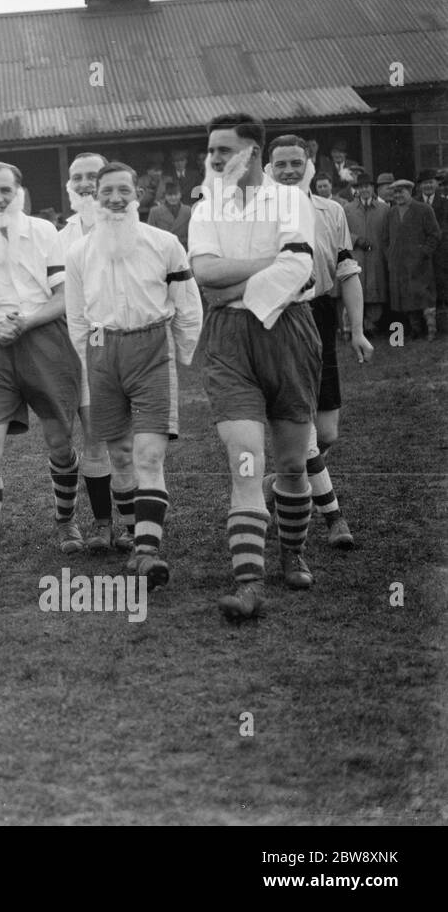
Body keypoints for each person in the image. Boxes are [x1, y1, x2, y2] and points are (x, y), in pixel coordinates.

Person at [188, 113, 320, 621]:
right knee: (245, 459)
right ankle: (249, 583)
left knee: (290, 464)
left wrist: (234, 286)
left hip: (288, 332)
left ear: (253, 153)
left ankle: (294, 551)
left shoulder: (291, 199)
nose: (215, 160)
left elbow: (300, 266)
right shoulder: (207, 207)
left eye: (224, 150)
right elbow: (204, 273)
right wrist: (267, 265)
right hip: (229, 341)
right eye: (211, 151)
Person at [64, 161, 203, 588]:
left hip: (151, 348)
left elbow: (188, 304)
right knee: (120, 454)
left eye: (124, 190)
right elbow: (76, 317)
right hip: (104, 351)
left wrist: (182, 352)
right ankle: (131, 529)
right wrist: (89, 360)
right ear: (95, 197)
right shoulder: (79, 252)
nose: (115, 199)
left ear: (139, 194)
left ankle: (147, 552)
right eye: (106, 192)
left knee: (147, 455)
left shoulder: (164, 244)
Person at [0, 161, 85, 578]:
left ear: (20, 191)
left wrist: (26, 322)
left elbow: (64, 298)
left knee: (59, 440)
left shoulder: (44, 233)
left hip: (45, 339)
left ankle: (65, 521)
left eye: (5, 190)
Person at [261, 135, 373, 556]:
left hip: (321, 318)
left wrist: (357, 330)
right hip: (281, 317)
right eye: (281, 164)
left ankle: (277, 482)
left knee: (326, 433)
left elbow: (347, 272)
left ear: (309, 164)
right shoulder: (261, 213)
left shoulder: (331, 211)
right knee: (305, 433)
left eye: (296, 162)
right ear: (269, 169)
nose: (289, 170)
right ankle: (333, 517)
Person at [58, 153, 132, 552]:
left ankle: (136, 528)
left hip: (132, 345)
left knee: (129, 444)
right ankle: (103, 525)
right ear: (69, 185)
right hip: (84, 350)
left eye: (92, 176)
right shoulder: (61, 237)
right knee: (95, 441)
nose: (85, 184)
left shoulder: (135, 229)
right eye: (78, 177)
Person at [383, 178, 441, 340]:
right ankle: (415, 329)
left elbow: (435, 235)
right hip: (399, 264)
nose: (398, 195)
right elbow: (385, 239)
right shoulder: (391, 213)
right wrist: (391, 256)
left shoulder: (424, 209)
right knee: (406, 297)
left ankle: (431, 329)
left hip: (420, 263)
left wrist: (424, 252)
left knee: (424, 295)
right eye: (395, 192)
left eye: (401, 192)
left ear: (410, 191)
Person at [342, 173, 389, 338]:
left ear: (373, 188)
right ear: (357, 189)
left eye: (368, 186)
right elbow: (341, 231)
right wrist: (357, 240)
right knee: (354, 292)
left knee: (374, 293)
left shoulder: (384, 209)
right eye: (361, 187)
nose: (365, 190)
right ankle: (350, 328)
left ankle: (370, 325)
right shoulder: (348, 209)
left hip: (376, 258)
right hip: (357, 256)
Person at [416, 170, 448, 334]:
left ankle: (442, 323)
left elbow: (444, 228)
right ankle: (426, 324)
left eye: (431, 182)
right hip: (422, 252)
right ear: (420, 186)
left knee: (442, 284)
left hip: (441, 251)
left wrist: (434, 245)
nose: (428, 185)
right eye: (425, 183)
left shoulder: (444, 203)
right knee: (424, 286)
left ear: (436, 184)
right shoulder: (415, 203)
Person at [146, 180, 192, 248]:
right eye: (170, 195)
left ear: (180, 195)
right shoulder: (154, 212)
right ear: (165, 196)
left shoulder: (188, 211)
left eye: (176, 194)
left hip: (183, 248)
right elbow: (150, 234)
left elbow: (193, 234)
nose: (173, 198)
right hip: (162, 248)